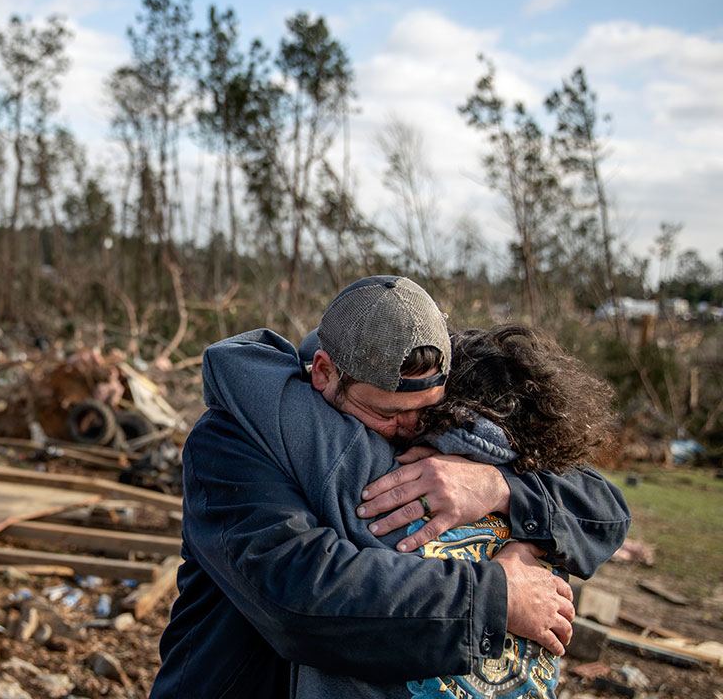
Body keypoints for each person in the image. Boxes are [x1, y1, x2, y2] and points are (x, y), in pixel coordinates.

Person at [152, 276, 630, 698]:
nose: (410, 428)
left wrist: (499, 486)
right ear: (324, 372)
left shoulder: (440, 401)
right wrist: (497, 597)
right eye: (386, 413)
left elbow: (602, 505)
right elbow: (296, 594)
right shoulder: (234, 442)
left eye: (426, 410)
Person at [274, 323, 621, 698]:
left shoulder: (367, 473)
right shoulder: (543, 475)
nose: (403, 424)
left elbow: (610, 511)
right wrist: (503, 590)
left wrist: (498, 487)